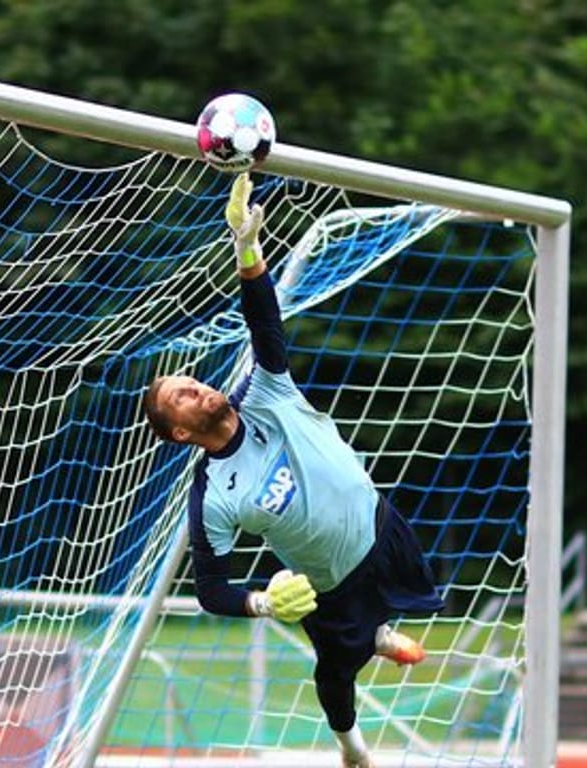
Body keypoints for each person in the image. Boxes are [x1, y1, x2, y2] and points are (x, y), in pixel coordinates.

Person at [142, 172, 445, 768]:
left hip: (382, 527)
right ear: (180, 431)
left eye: (192, 380)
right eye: (181, 395)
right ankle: (352, 750)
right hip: (329, 585)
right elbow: (209, 591)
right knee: (336, 679)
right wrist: (261, 603)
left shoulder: (264, 393)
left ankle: (376, 632)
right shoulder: (213, 495)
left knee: (406, 606)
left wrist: (246, 249)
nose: (197, 388)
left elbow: (264, 324)